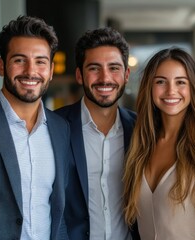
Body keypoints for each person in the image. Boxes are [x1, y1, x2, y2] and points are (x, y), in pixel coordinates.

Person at [123, 47, 195, 239]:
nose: (171, 90)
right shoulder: (141, 146)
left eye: (181, 82)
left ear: (193, 88)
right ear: (149, 87)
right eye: (161, 82)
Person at [0, 15, 70, 239]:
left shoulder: (61, 129)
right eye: (19, 60)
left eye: (40, 61)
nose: (31, 71)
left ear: (51, 70)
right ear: (2, 66)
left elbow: (58, 212)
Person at [55, 27, 139, 239]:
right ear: (79, 75)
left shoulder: (141, 129)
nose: (105, 78)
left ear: (126, 75)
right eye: (94, 68)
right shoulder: (54, 127)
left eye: (114, 68)